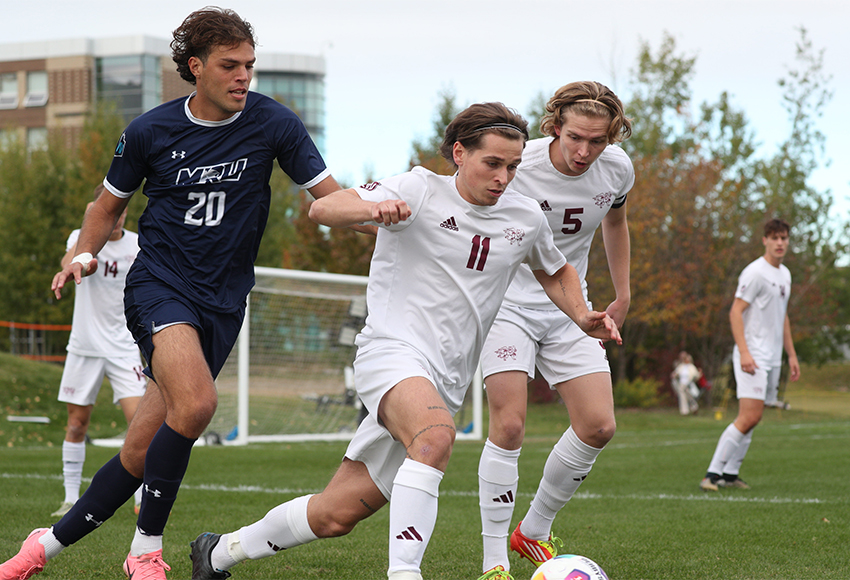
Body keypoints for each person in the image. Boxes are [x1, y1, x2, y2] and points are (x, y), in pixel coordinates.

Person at [187, 102, 621, 580]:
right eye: (492, 163)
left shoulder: (524, 216)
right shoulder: (418, 187)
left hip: (444, 382)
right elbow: (323, 207)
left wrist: (582, 315)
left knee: (337, 513)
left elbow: (555, 269)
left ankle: (218, 553)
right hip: (391, 354)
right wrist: (373, 207)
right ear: (459, 153)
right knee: (436, 436)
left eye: (513, 166)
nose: (503, 177)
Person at [0, 7, 342, 580]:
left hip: (224, 303)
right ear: (195, 66)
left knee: (139, 452)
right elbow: (104, 207)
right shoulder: (149, 131)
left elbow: (328, 198)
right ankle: (145, 551)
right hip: (159, 286)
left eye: (250, 66)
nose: (243, 77)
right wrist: (80, 255)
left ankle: (42, 548)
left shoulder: (274, 123)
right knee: (200, 405)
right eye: (230, 66)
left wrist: (388, 209)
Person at [474, 81, 633, 579]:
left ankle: (534, 530)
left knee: (598, 425)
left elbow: (615, 222)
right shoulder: (520, 165)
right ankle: (495, 560)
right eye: (576, 138)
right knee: (511, 424)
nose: (585, 151)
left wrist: (623, 293)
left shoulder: (618, 169)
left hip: (572, 307)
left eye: (598, 141)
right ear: (555, 126)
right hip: (505, 306)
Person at [50, 185, 147, 519]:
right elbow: (74, 264)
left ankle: (141, 498)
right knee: (77, 424)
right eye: (111, 210)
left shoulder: (137, 244)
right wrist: (87, 235)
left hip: (123, 346)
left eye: (122, 211)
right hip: (85, 346)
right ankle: (69, 498)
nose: (117, 217)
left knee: (140, 424)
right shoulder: (82, 236)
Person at [700, 218, 800, 492]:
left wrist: (790, 355)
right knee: (748, 416)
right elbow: (735, 312)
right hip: (752, 355)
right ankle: (711, 474)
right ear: (765, 240)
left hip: (771, 358)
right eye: (774, 237)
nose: (780, 243)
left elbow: (783, 318)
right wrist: (744, 352)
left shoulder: (786, 275)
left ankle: (730, 475)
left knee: (755, 416)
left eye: (784, 238)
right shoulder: (755, 272)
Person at [671, 351, 702, 416]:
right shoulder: (681, 366)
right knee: (682, 397)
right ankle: (684, 411)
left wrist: (698, 374)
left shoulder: (691, 367)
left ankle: (694, 407)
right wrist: (674, 375)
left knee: (689, 397)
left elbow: (696, 375)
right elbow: (676, 372)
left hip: (688, 384)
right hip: (682, 384)